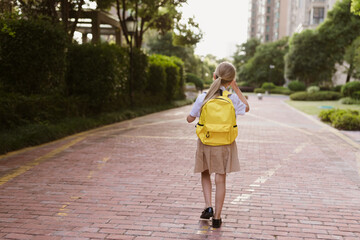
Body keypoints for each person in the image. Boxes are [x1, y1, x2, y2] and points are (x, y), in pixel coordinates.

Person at [186, 62, 250, 228]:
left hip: (206, 140)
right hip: (225, 142)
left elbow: (190, 118)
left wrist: (193, 115)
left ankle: (208, 206)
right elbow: (247, 108)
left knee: (205, 172)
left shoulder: (203, 97)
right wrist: (236, 89)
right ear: (230, 81)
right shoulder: (232, 98)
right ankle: (217, 218)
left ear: (214, 77)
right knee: (220, 179)